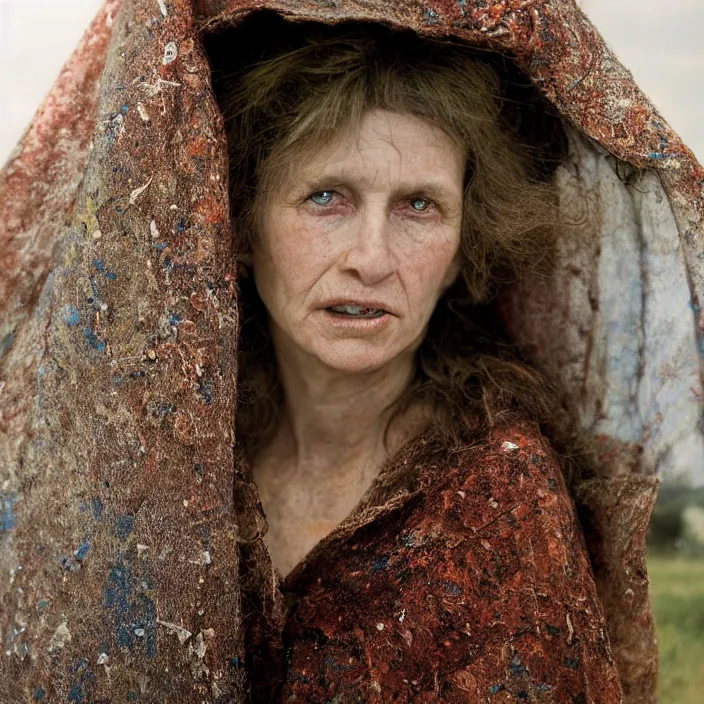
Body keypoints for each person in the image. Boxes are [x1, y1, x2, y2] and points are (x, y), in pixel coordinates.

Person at [215, 19, 624, 701]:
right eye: (326, 197)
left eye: (418, 206)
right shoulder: (191, 467)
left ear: (465, 249)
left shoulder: (499, 499)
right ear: (245, 226)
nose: (370, 259)